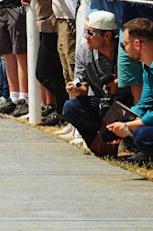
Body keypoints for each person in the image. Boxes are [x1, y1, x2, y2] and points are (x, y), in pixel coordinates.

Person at [60, 11, 118, 148]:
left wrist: (119, 84)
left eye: (91, 33)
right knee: (70, 107)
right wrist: (77, 90)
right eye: (86, 32)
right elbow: (83, 86)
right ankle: (97, 143)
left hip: (126, 102)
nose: (86, 37)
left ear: (108, 36)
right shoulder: (83, 52)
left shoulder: (123, 51)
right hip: (101, 103)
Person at [104, 17, 153, 164]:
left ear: (137, 44)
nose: (124, 49)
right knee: (135, 134)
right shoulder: (147, 67)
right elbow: (145, 103)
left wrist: (128, 126)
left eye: (125, 44)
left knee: (141, 135)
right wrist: (122, 121)